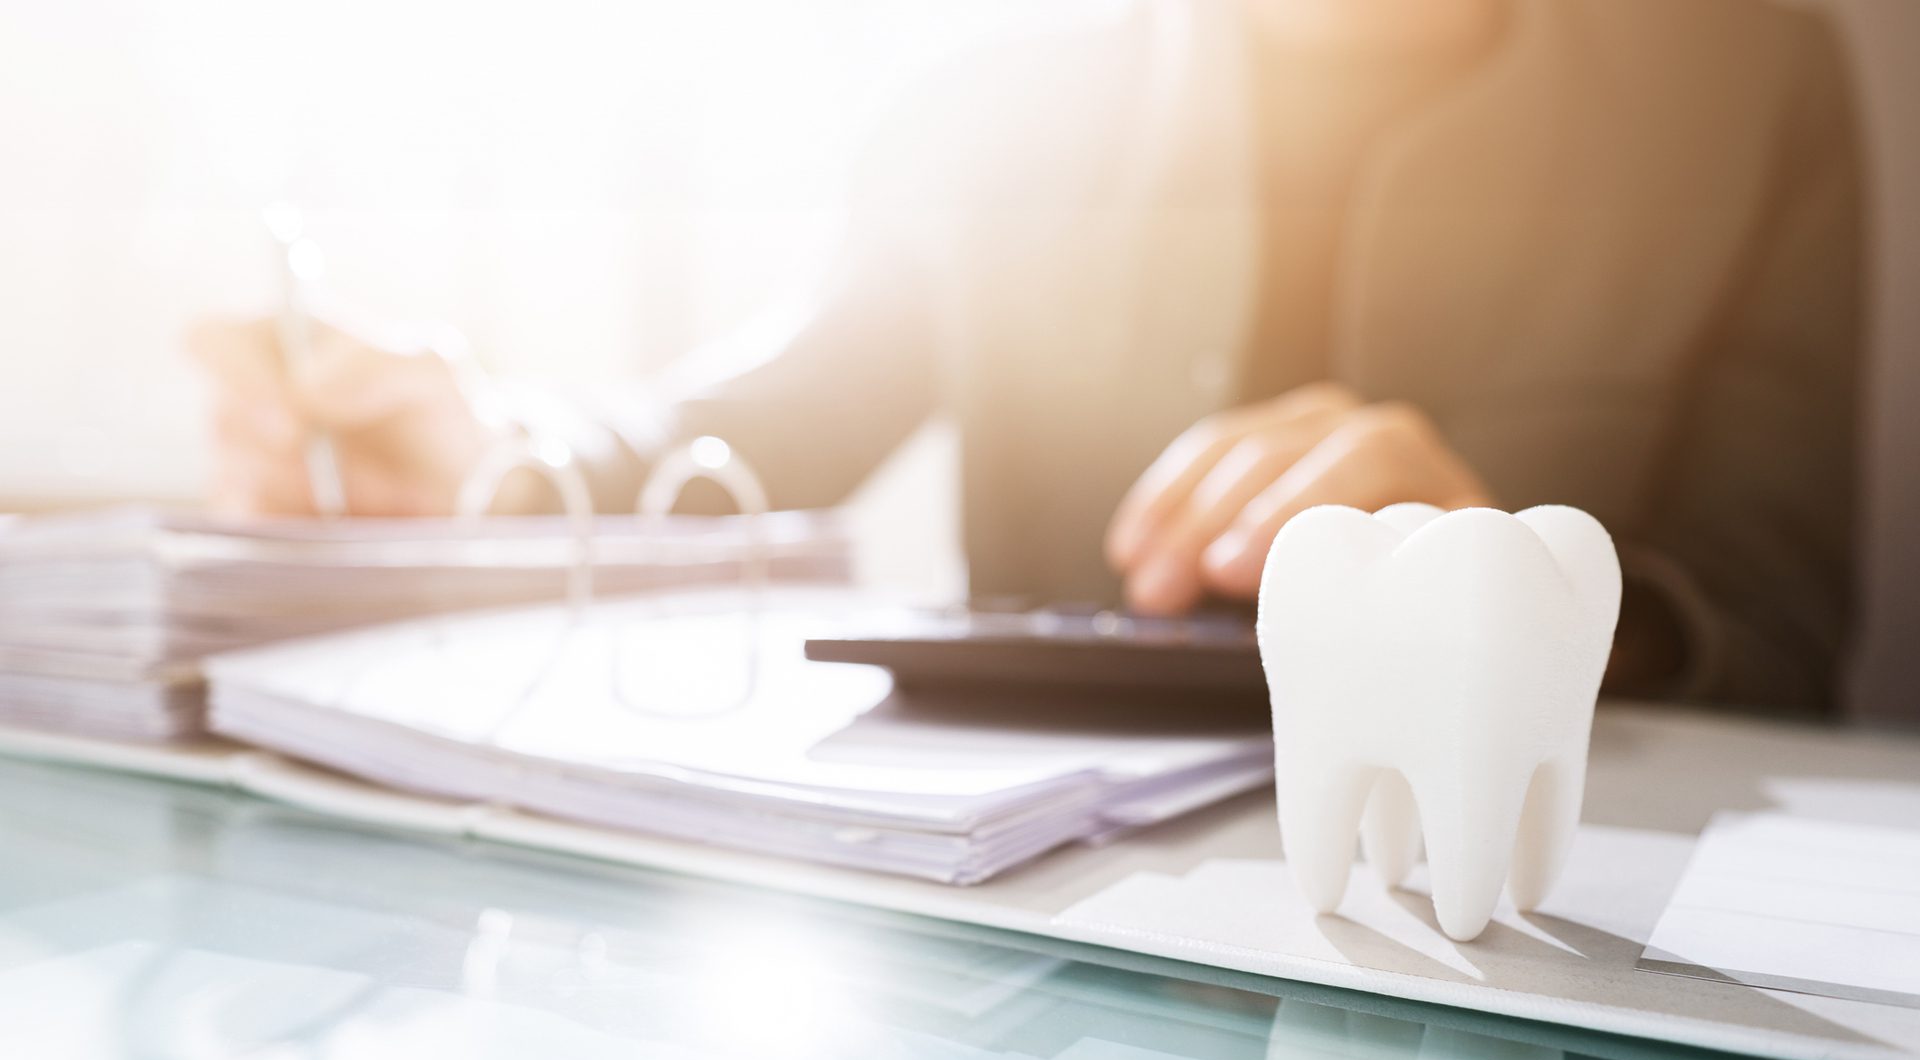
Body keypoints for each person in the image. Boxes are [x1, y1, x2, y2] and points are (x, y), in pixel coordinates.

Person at [190, 0, 1862, 713]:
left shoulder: (1755, 78)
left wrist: (1520, 588)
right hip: (1054, 936)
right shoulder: (992, 84)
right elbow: (765, 420)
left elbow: (1783, 633)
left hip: (1528, 912)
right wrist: (494, 454)